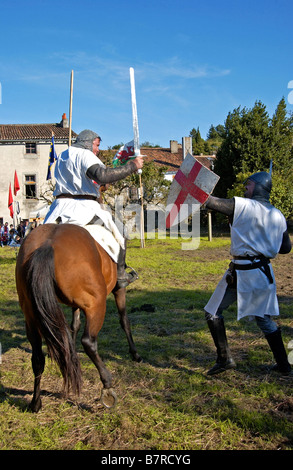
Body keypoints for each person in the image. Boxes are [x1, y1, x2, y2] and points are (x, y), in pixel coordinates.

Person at [204, 171, 292, 376]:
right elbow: (286, 248)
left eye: (249, 184)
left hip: (247, 272)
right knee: (263, 320)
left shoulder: (244, 206)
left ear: (259, 186)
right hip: (256, 272)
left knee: (213, 313)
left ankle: (226, 359)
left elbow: (212, 202)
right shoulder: (277, 214)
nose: (245, 187)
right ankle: (284, 366)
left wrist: (192, 188)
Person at [44, 129, 144, 288]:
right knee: (121, 231)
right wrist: (133, 165)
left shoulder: (63, 155)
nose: (97, 150)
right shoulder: (85, 154)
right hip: (83, 208)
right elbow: (101, 175)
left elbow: (83, 178)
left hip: (58, 209)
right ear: (87, 143)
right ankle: (120, 276)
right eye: (97, 145)